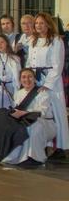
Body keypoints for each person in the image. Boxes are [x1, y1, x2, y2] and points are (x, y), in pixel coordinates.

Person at [0, 68, 57, 166]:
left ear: (34, 79)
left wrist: (24, 113)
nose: (27, 80)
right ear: (20, 80)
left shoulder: (42, 92)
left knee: (34, 126)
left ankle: (35, 158)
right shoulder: (18, 93)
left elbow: (43, 112)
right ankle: (13, 154)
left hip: (44, 123)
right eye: (24, 77)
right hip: (25, 121)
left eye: (30, 77)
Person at [26, 12, 68, 150]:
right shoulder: (32, 40)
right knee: (37, 110)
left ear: (48, 24)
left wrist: (47, 84)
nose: (38, 26)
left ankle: (60, 147)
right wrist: (27, 78)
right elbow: (29, 61)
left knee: (55, 112)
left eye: (41, 23)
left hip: (51, 81)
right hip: (35, 79)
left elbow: (57, 65)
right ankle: (42, 144)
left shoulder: (56, 41)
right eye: (36, 23)